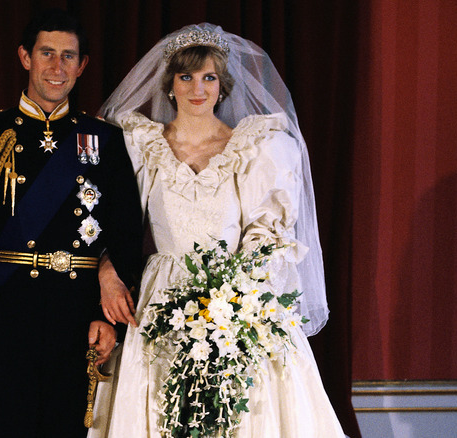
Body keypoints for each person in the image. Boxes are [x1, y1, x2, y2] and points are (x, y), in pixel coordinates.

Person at [89, 24, 345, 437]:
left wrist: (237, 299)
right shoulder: (141, 145)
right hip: (159, 296)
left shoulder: (256, 148)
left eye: (208, 77)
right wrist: (107, 270)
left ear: (222, 85)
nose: (198, 88)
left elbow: (268, 236)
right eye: (186, 76)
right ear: (170, 84)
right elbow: (112, 222)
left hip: (233, 297)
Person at [0, 9, 143, 437]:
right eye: (47, 53)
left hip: (77, 319)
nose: (57, 67)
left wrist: (106, 318)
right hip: (5, 317)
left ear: (82, 65)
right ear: (24, 57)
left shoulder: (103, 140)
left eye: (69, 56)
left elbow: (126, 231)